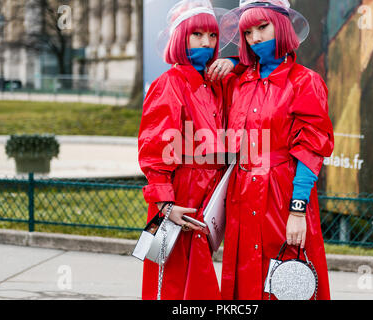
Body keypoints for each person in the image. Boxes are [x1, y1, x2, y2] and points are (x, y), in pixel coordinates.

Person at [220, 0, 334, 300]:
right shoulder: (239, 82)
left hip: (282, 194)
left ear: (281, 26)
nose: (255, 38)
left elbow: (311, 149)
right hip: (241, 195)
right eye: (248, 32)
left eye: (263, 27)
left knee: (286, 283)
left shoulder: (305, 82)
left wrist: (298, 209)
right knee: (244, 286)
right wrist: (235, 63)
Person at [137, 0, 234, 300]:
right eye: (197, 35)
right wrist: (166, 204)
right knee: (175, 279)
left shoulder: (216, 83)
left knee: (198, 276)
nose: (207, 42)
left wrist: (234, 63)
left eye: (213, 35)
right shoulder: (169, 84)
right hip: (181, 192)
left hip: (209, 193)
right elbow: (155, 150)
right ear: (181, 38)